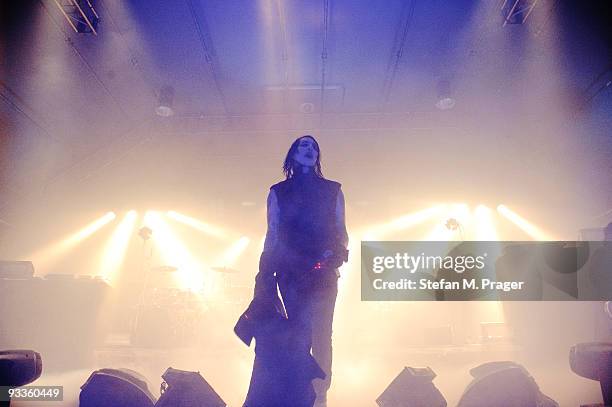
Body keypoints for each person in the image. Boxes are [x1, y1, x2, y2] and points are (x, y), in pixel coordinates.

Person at [244, 135, 348, 407]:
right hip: (291, 273)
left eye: (314, 147)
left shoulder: (333, 190)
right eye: (304, 145)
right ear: (292, 155)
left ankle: (321, 393)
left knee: (323, 333)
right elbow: (273, 233)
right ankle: (301, 393)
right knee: (299, 331)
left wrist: (335, 255)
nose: (310, 149)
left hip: (324, 272)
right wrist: (265, 270)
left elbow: (342, 231)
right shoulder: (278, 192)